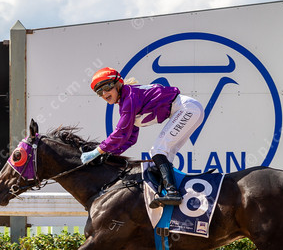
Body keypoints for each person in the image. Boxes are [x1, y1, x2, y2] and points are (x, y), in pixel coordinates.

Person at [81, 67, 205, 207]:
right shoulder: (127, 101)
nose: (104, 93)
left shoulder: (129, 98)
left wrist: (97, 151)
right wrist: (109, 155)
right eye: (99, 92)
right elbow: (130, 138)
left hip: (187, 109)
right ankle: (170, 192)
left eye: (107, 87)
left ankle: (173, 193)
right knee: (164, 156)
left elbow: (120, 132)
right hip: (190, 109)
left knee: (158, 151)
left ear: (118, 84)